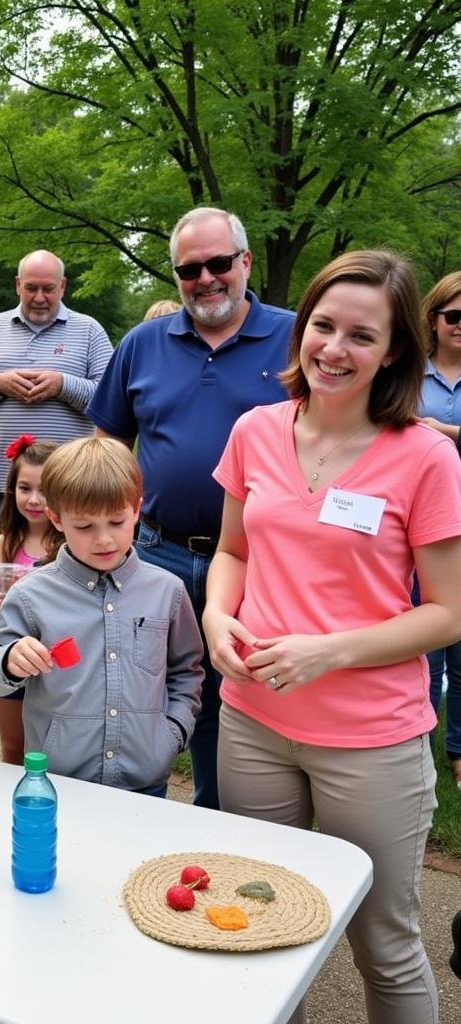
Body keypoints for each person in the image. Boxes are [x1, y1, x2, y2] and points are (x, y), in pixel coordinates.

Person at [202, 250, 461, 1024]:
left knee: (382, 942)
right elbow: (233, 551)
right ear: (300, 329)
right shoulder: (255, 431)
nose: (334, 350)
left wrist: (329, 649)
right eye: (322, 326)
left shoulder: (426, 456)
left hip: (370, 740)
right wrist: (218, 614)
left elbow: (448, 611)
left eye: (361, 335)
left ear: (394, 352)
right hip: (253, 724)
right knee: (261, 929)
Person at [86, 207, 293, 810]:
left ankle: (226, 820)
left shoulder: (296, 337)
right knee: (146, 686)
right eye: (188, 269)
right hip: (156, 552)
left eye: (219, 263)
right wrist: (100, 522)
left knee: (248, 693)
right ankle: (138, 812)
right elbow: (107, 446)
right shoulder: (143, 343)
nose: (205, 278)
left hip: (259, 561)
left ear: (246, 262)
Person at [0, 437, 204, 796]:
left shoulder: (167, 591)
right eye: (84, 527)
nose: (104, 540)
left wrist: (172, 732)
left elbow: (186, 671)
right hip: (58, 784)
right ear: (56, 518)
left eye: (116, 521)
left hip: (146, 785)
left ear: (137, 510)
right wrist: (8, 660)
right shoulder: (31, 594)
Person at [0, 249, 114, 555]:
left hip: (70, 486)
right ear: (17, 285)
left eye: (48, 289)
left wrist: (63, 384)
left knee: (74, 578)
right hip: (5, 488)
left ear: (62, 286)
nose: (39, 297)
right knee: (6, 576)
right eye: (31, 288)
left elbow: (112, 397)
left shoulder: (89, 330)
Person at [0, 435, 61, 765]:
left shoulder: (70, 545)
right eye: (24, 488)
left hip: (55, 662)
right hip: (11, 659)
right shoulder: (6, 542)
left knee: (49, 750)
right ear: (12, 490)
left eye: (45, 490)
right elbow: (3, 618)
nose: (34, 499)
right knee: (13, 746)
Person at [416, 271, 461, 784]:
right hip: (421, 531)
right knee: (423, 640)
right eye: (453, 316)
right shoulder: (411, 373)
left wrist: (445, 433)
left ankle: (459, 750)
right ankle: (418, 744)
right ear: (433, 318)